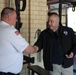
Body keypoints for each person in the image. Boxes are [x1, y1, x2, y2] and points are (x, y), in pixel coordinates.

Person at [0, 7, 38, 75]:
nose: (16, 20)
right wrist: (35, 48)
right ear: (9, 17)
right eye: (15, 18)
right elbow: (28, 50)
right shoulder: (10, 31)